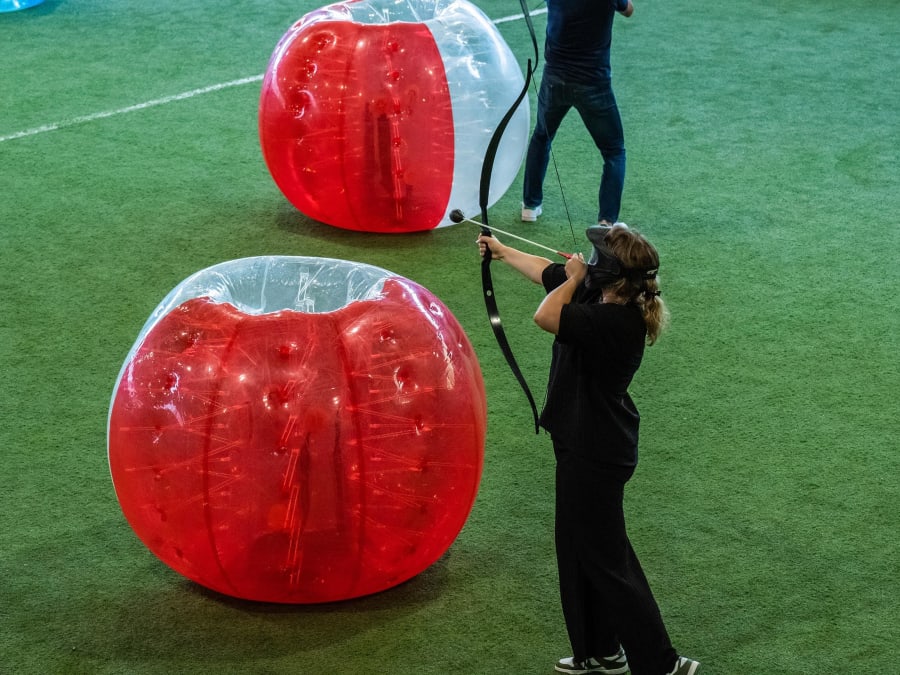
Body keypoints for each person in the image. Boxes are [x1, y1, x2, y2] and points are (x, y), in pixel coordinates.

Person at [476, 224, 700, 675]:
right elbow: (546, 273)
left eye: (598, 259)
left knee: (607, 559)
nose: (587, 262)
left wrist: (576, 278)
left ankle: (662, 664)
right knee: (578, 547)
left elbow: (546, 316)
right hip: (581, 441)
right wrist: (502, 252)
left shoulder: (617, 321)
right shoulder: (599, 295)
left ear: (610, 274)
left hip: (595, 451)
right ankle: (600, 650)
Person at [522, 0, 634, 225]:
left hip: (554, 79)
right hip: (593, 83)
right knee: (614, 152)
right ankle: (606, 222)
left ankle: (530, 206)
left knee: (542, 136)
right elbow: (628, 10)